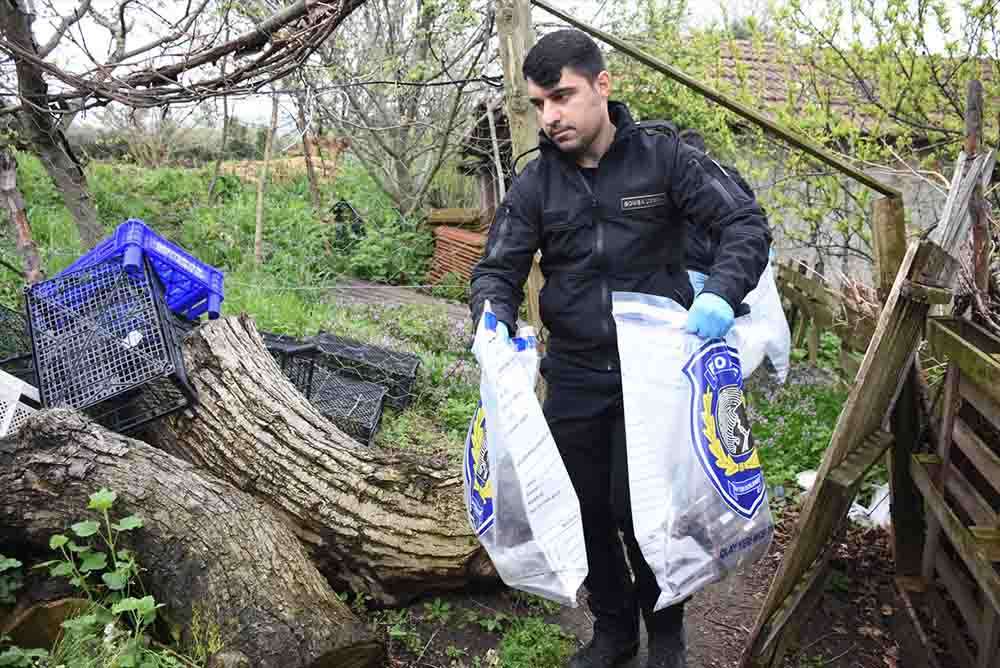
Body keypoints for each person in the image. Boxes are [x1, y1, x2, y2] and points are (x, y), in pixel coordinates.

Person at [469, 29, 771, 668]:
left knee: (646, 512)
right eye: (539, 104)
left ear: (601, 86)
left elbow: (743, 222)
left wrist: (720, 292)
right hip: (575, 372)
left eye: (562, 97)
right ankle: (612, 632)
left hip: (655, 371)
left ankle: (665, 635)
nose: (551, 117)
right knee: (585, 510)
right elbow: (497, 270)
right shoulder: (535, 186)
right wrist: (492, 316)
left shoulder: (664, 158)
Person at [677, 128, 761, 298]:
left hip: (684, 266)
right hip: (718, 268)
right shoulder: (727, 177)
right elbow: (750, 212)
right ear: (706, 152)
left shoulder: (675, 176)